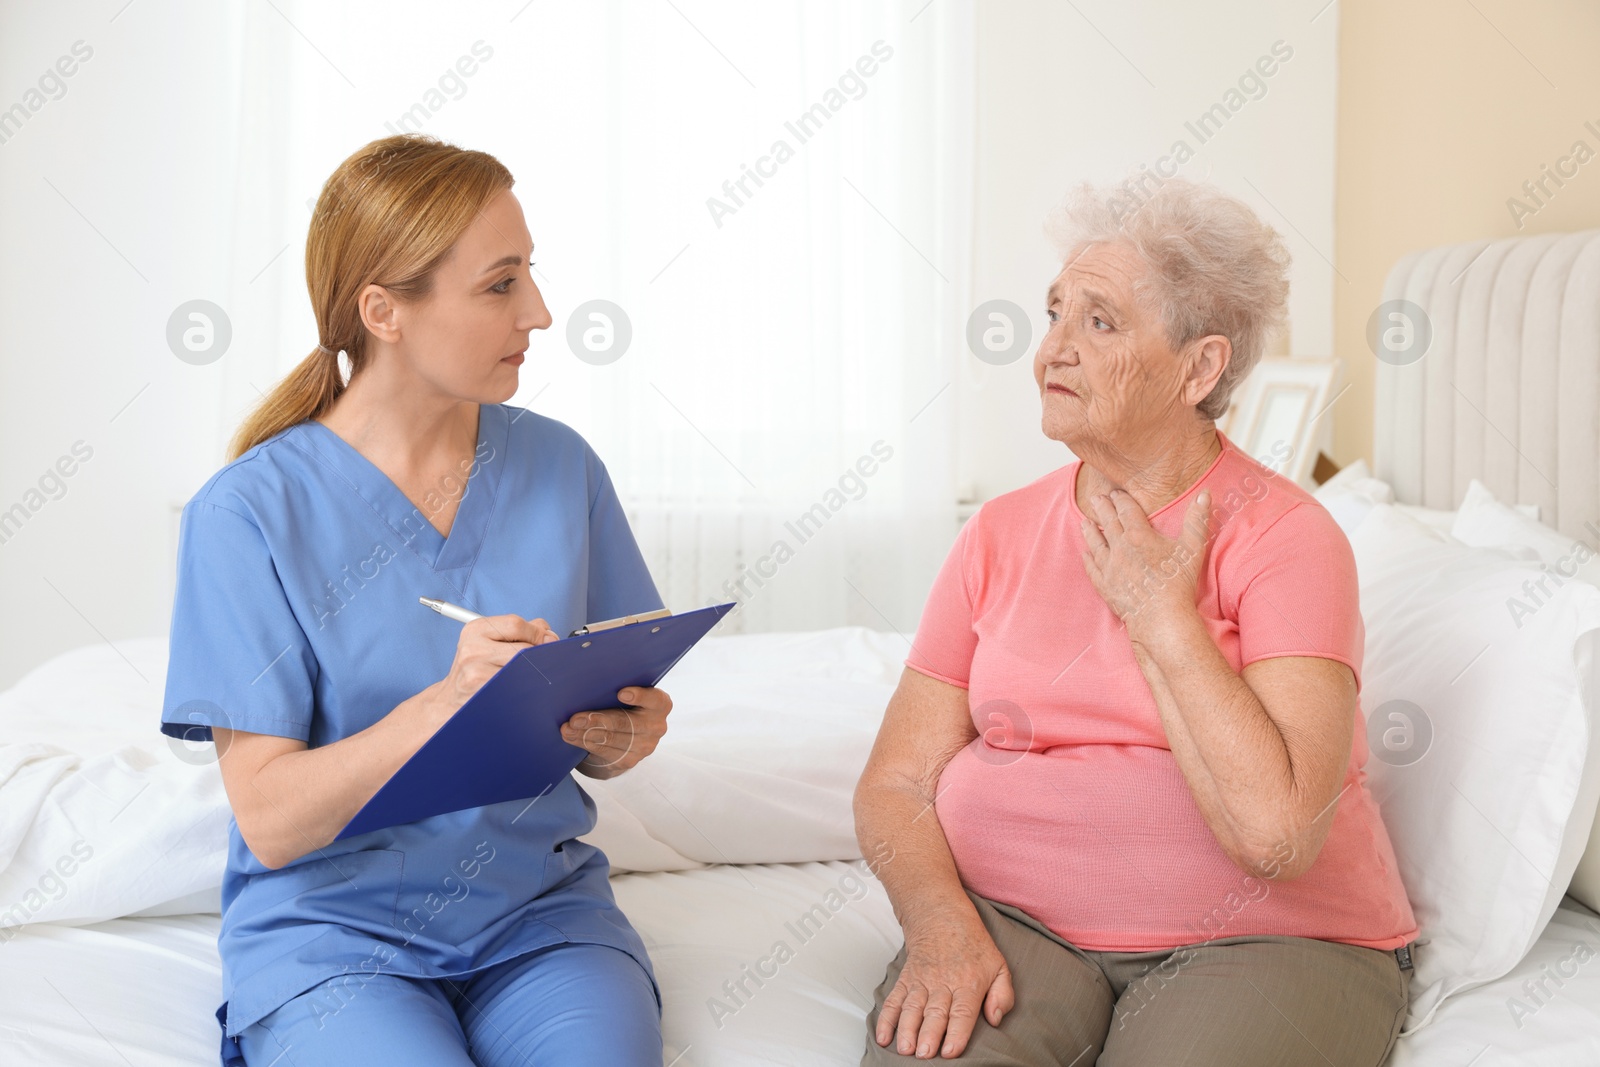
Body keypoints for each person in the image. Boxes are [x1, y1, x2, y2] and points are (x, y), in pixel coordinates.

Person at [853, 177, 1418, 1065]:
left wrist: (1164, 621)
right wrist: (939, 927)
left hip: (1268, 940)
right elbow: (893, 785)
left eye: (1100, 323)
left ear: (1199, 369)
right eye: (1054, 314)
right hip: (1017, 925)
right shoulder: (998, 533)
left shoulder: (1289, 538)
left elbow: (1275, 836)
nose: (1051, 351)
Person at [160, 134, 667, 1066]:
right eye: (501, 284)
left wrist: (623, 734)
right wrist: (444, 702)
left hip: (539, 920)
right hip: (332, 937)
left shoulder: (561, 467)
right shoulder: (246, 514)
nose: (544, 313)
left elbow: (614, 737)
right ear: (384, 310)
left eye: (531, 276)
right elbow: (269, 821)